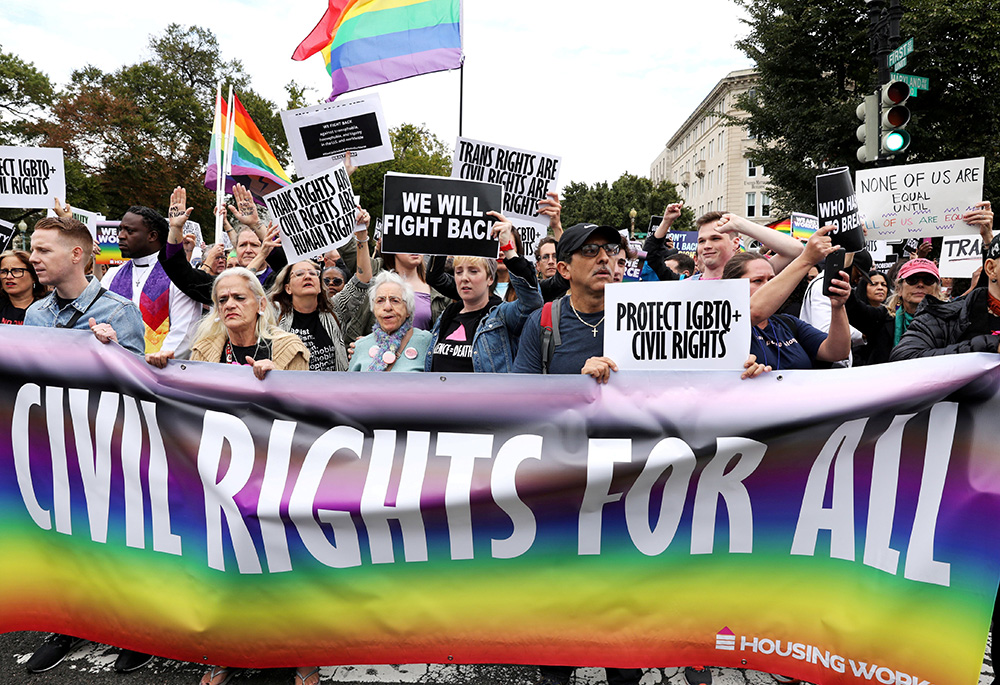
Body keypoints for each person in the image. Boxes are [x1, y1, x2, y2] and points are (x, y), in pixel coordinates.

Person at [22, 216, 145, 674]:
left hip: (106, 449)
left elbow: (141, 386)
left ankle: (136, 628)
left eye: (43, 250)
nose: (32, 258)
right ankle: (69, 624)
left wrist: (115, 352)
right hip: (52, 448)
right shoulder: (35, 315)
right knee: (64, 541)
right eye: (32, 249)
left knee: (119, 541)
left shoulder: (119, 312)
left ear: (77, 254)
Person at [425, 212, 542, 373]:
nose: (464, 278)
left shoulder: (501, 315)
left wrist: (508, 248)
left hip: (486, 398)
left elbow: (532, 303)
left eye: (473, 271)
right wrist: (443, 237)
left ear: (489, 279)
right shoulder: (447, 315)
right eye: (458, 272)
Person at [723, 225, 851, 370]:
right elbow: (754, 312)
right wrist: (807, 258)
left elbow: (837, 352)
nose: (767, 286)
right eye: (757, 281)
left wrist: (838, 306)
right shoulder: (724, 327)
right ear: (733, 286)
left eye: (771, 280)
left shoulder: (788, 323)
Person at [268, 209, 373, 372]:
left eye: (313, 273)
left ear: (319, 284)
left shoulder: (335, 309)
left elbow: (363, 278)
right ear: (288, 288)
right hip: (292, 393)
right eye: (300, 274)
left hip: (331, 394)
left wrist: (361, 235)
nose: (308, 276)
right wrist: (257, 233)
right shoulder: (275, 315)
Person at [98, 205, 202, 357]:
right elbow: (100, 320)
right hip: (116, 367)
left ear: (152, 236)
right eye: (120, 230)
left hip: (160, 371)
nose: (121, 235)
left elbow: (185, 332)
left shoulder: (178, 276)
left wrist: (152, 363)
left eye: (129, 231)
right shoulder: (112, 275)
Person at [845, 258, 942, 366]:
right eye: (912, 280)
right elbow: (852, 308)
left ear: (937, 290)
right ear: (899, 289)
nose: (920, 284)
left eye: (928, 280)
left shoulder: (948, 320)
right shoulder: (883, 318)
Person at [348, 271, 432, 372]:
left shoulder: (427, 342)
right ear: (374, 309)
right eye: (380, 300)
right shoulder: (360, 346)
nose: (387, 307)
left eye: (395, 300)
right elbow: (351, 386)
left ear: (408, 310)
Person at [691, 211, 804, 281]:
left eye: (715, 238)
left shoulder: (755, 275)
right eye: (701, 241)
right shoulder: (685, 287)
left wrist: (741, 224)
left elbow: (796, 250)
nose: (706, 246)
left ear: (735, 243)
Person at [0, 248, 47, 324]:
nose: (9, 276)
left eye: (16, 271)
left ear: (34, 277)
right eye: (4, 271)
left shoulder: (49, 309)